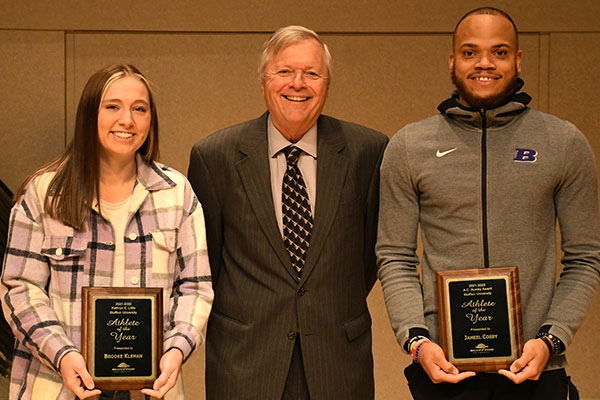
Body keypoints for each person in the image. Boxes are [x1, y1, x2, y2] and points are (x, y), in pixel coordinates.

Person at [377, 6, 600, 400]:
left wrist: (551, 340)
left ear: (517, 59)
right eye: (470, 52)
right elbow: (395, 255)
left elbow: (585, 257)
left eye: (499, 52)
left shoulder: (563, 143)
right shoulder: (409, 146)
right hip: (441, 371)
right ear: (452, 60)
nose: (485, 63)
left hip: (536, 370)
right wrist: (416, 341)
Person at [188, 25, 388, 399]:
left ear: (326, 85)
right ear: (263, 81)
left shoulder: (368, 151)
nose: (298, 83)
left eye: (312, 73)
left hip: (337, 361)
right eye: (285, 72)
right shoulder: (214, 156)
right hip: (245, 362)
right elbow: (207, 263)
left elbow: (369, 257)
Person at [1, 64, 213, 400]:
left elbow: (196, 288)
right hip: (57, 386)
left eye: (139, 109)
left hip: (150, 390)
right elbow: (19, 289)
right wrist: (63, 354)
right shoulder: (43, 194)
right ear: (89, 114)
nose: (127, 120)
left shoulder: (177, 194)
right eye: (112, 106)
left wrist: (176, 350)